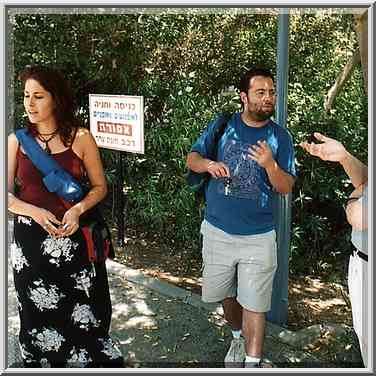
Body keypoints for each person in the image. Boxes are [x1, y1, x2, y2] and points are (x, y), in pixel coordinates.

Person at [8, 65, 124, 368]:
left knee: (82, 309)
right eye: (26, 96)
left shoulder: (81, 138)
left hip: (73, 239)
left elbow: (100, 187)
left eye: (38, 96)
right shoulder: (16, 141)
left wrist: (77, 209)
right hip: (31, 245)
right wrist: (33, 211)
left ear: (55, 99)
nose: (29, 104)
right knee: (37, 308)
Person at [186, 66, 296, 367]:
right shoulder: (223, 126)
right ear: (244, 97)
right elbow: (192, 159)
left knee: (256, 303)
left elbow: (286, 186)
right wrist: (208, 164)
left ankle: (252, 361)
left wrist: (270, 165)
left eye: (271, 92)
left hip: (258, 236)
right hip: (217, 230)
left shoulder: (280, 138)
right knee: (225, 294)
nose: (268, 98)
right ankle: (236, 338)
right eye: (260, 92)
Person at [300, 133, 368, 367]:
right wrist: (345, 158)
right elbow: (368, 181)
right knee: (366, 343)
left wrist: (354, 200)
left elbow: (360, 216)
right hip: (361, 262)